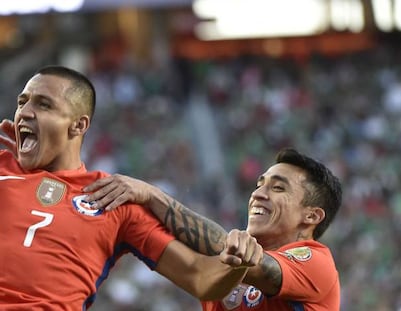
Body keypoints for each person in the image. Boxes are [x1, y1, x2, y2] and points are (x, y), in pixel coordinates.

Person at [0, 65, 263, 310]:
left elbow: (200, 277)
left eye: (44, 105)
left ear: (78, 125)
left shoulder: (113, 197)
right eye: (22, 102)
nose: (24, 112)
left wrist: (241, 259)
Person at [84, 147, 343, 310]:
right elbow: (198, 270)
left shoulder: (316, 263)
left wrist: (152, 195)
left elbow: (242, 256)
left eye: (277, 188)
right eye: (259, 184)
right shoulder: (223, 265)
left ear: (311, 216)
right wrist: (128, 214)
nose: (258, 194)